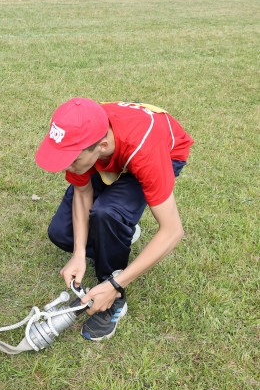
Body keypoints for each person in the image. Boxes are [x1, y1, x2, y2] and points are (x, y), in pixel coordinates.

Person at [35, 98, 194, 341]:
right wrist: (78, 254)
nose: (67, 166)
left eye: (73, 160)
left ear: (102, 145)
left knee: (108, 213)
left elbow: (172, 231)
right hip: (118, 151)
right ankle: (118, 233)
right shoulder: (79, 136)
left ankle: (114, 299)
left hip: (162, 152)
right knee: (61, 234)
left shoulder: (145, 150)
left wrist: (115, 285)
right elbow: (82, 191)